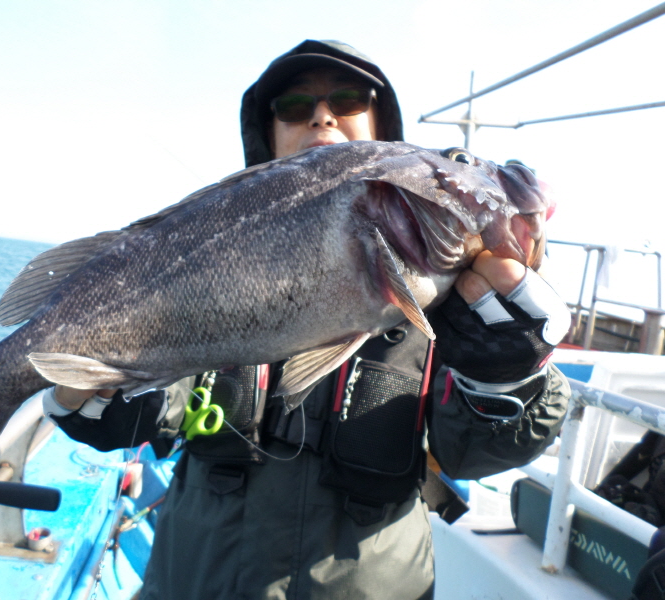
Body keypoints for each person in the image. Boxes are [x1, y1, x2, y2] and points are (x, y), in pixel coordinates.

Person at [44, 40, 571, 600]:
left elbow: (477, 454)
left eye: (347, 98)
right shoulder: (207, 248)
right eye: (293, 107)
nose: (322, 115)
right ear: (265, 136)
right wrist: (83, 391)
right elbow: (152, 411)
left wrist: (506, 375)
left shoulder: (455, 289)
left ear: (383, 133)